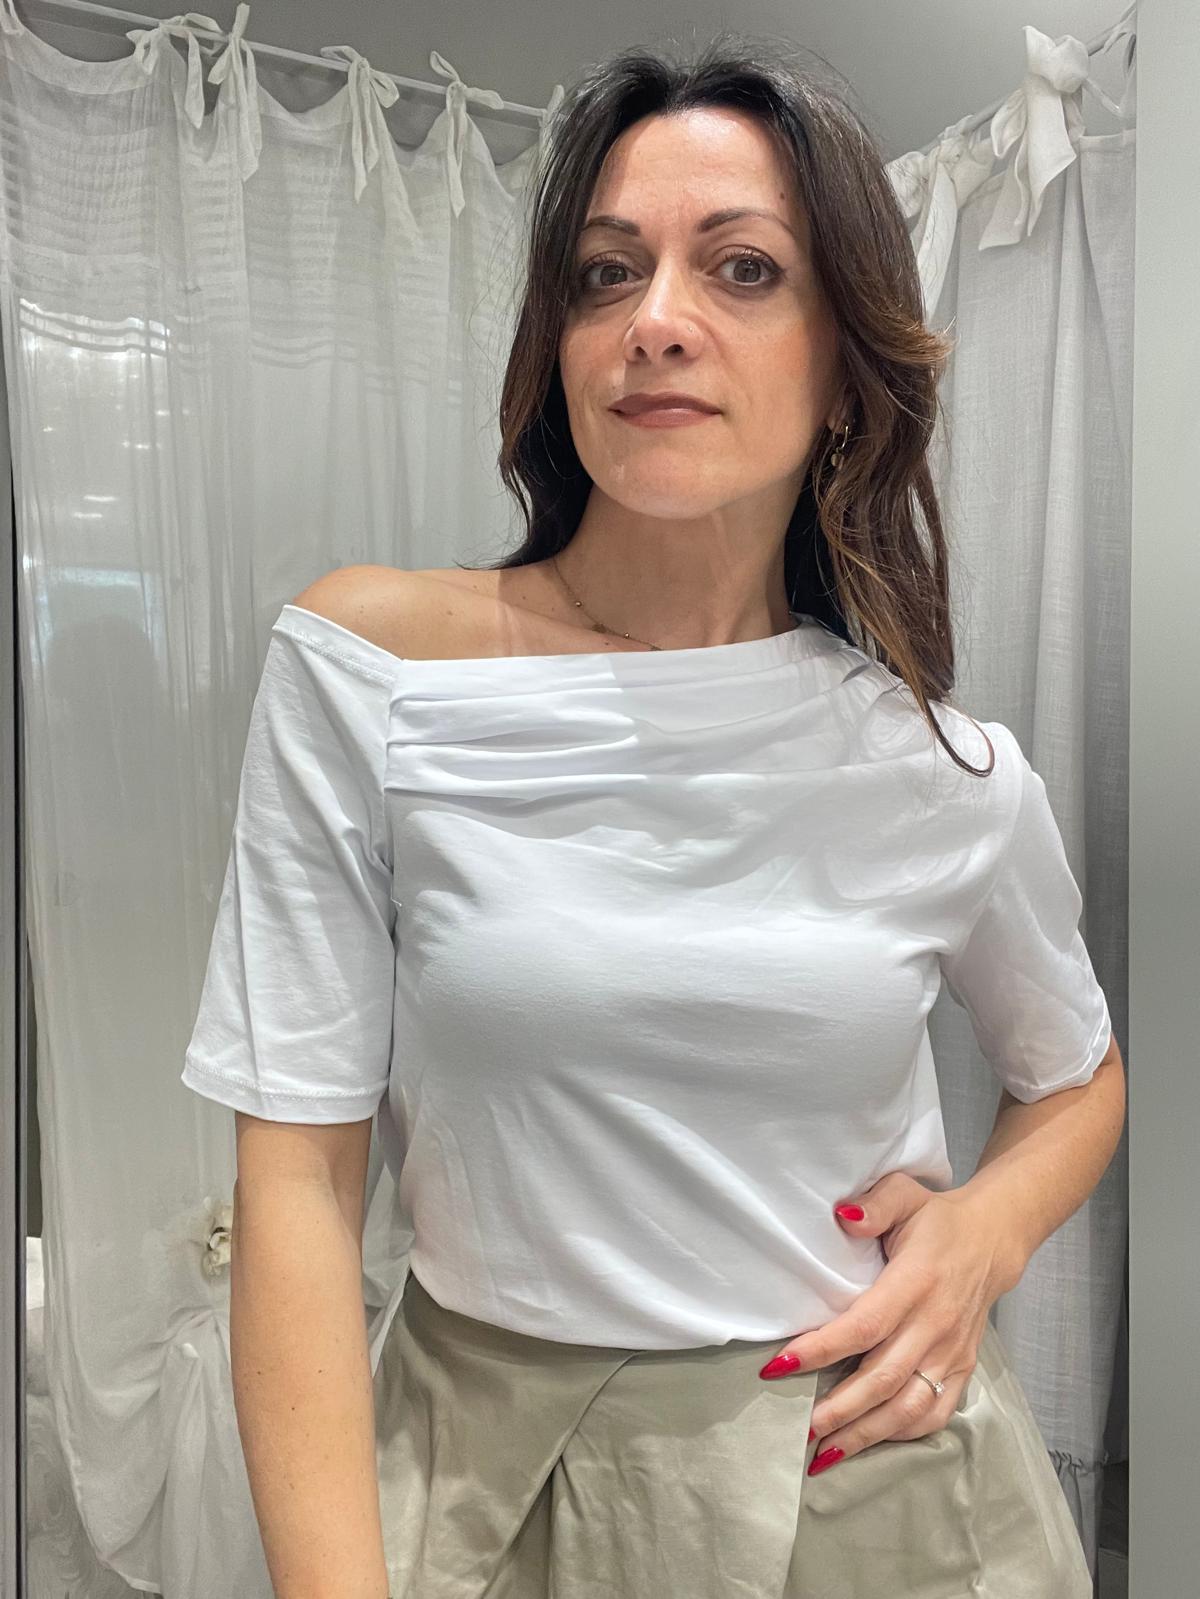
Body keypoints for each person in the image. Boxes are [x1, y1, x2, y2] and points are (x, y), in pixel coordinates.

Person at [181, 31, 1124, 1599]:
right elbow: (297, 1182)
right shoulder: (370, 674)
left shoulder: (938, 768)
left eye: (743, 270)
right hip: (483, 1483)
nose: (657, 322)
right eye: (606, 275)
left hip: (876, 1480)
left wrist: (987, 1233)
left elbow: (1076, 1073)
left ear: (847, 370)